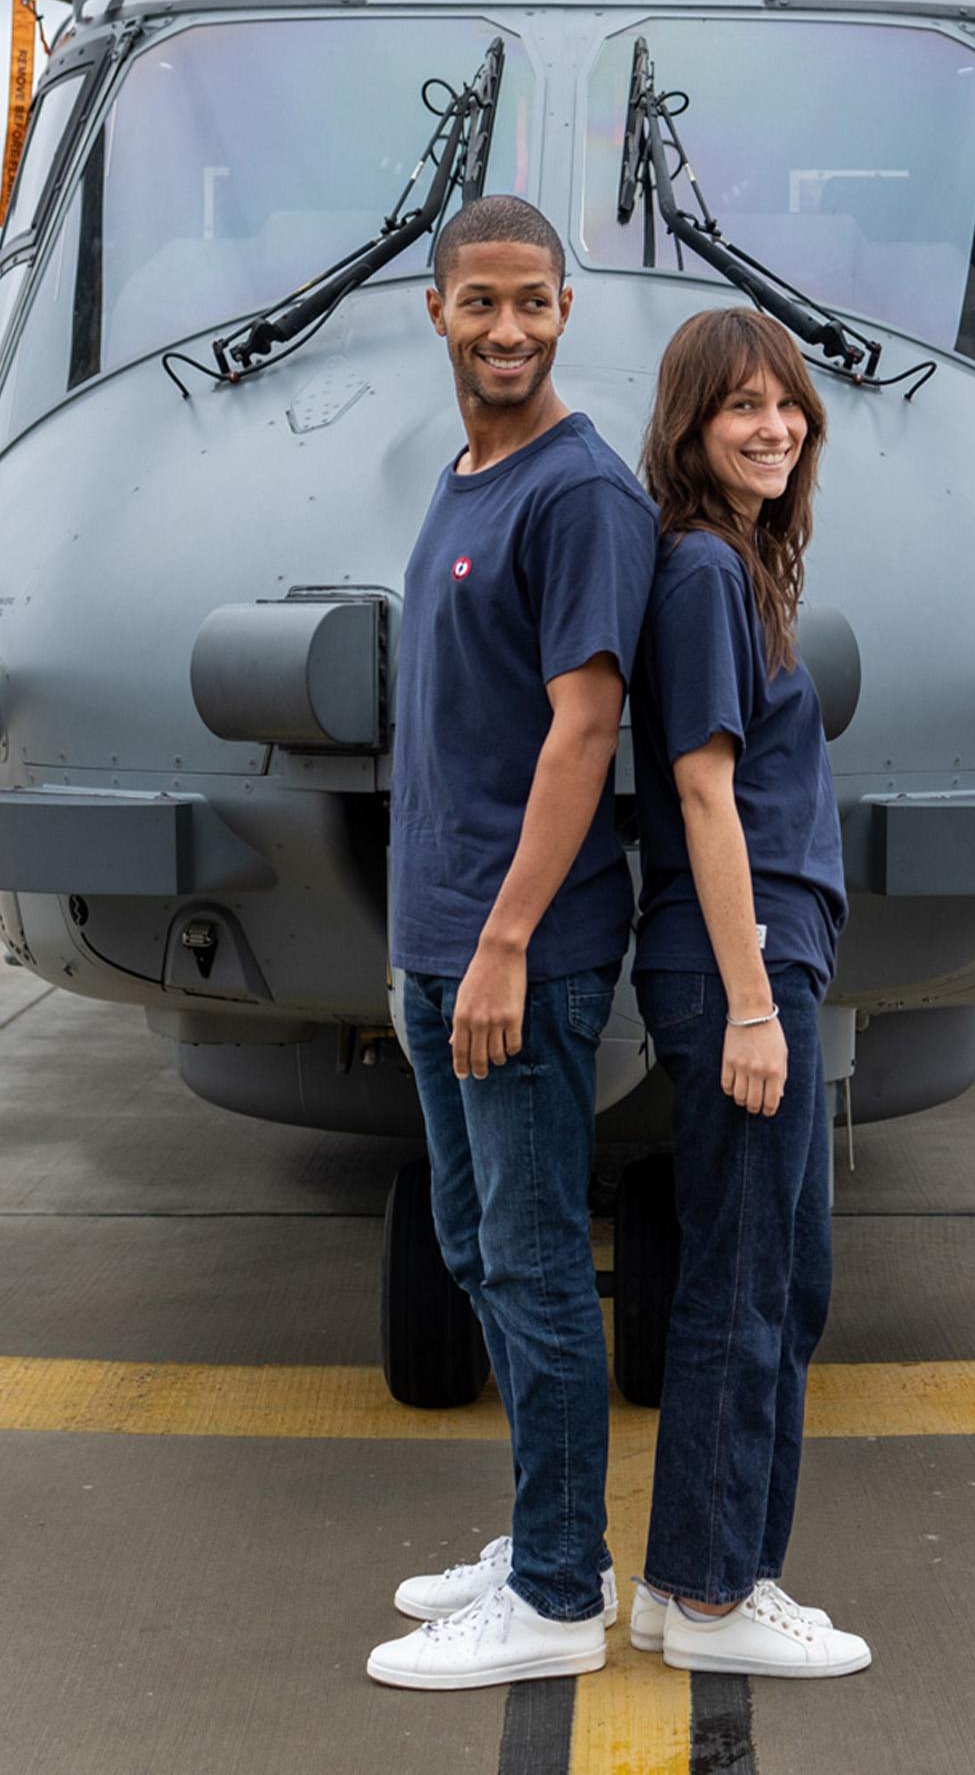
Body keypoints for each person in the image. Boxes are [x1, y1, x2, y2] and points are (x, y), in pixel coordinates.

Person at [367, 196, 657, 1692]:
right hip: (447, 947)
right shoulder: (466, 477)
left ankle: (554, 1596)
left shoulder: (578, 494)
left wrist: (495, 947)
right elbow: (446, 738)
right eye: (481, 302)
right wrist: (422, 945)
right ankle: (550, 1536)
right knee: (482, 1247)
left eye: (533, 302)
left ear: (565, 309)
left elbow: (584, 725)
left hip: (518, 957)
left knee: (536, 1262)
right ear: (437, 310)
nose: (508, 329)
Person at [625, 308, 871, 1678]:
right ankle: (722, 1602)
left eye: (786, 405)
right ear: (692, 426)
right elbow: (704, 791)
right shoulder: (707, 572)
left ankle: (687, 1583)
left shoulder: (731, 563)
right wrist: (758, 1004)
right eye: (741, 408)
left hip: (759, 955)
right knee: (748, 1287)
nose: (773, 425)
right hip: (745, 963)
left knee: (779, 1278)